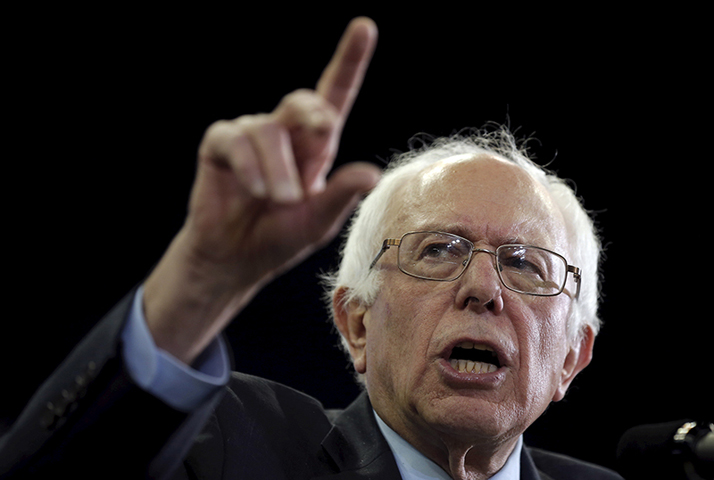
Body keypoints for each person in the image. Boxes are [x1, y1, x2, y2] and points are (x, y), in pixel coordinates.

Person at [0, 17, 623, 480]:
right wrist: (201, 279)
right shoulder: (230, 443)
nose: (483, 288)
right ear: (356, 322)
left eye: (524, 264)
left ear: (571, 356)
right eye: (438, 250)